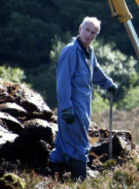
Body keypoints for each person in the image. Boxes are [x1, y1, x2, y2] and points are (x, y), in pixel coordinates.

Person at [49, 16, 119, 180]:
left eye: (93, 33)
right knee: (80, 143)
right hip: (72, 108)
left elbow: (96, 70)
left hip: (82, 106)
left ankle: (54, 180)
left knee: (62, 143)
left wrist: (108, 84)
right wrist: (66, 107)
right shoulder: (70, 51)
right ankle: (80, 182)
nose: (89, 35)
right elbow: (63, 82)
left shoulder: (89, 51)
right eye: (87, 30)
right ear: (80, 29)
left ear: (96, 35)